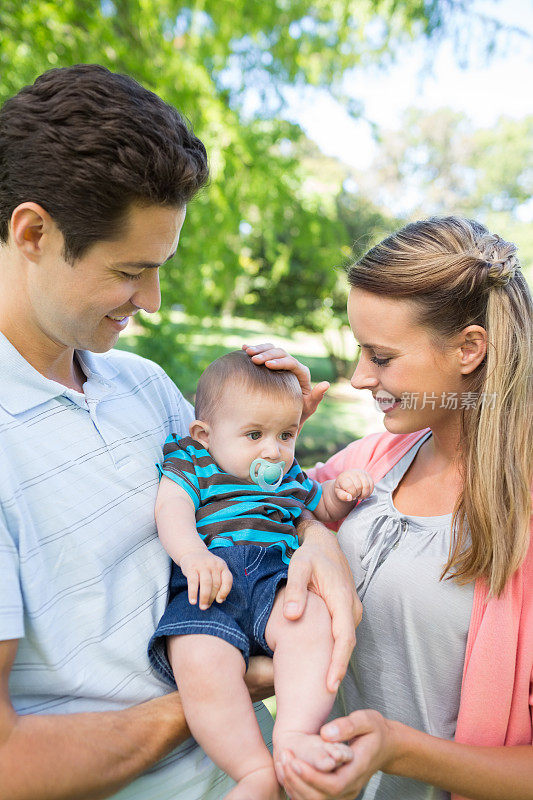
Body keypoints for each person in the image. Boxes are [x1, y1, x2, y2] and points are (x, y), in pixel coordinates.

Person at [0, 65, 360, 800]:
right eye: (131, 270)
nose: (154, 301)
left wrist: (289, 474)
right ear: (33, 232)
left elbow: (240, 502)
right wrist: (216, 694)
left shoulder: (145, 387)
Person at [244, 216, 533, 800]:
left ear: (469, 349)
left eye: (381, 356)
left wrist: (398, 748)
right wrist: (277, 431)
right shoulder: (375, 458)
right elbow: (259, 506)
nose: (357, 378)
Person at [148, 350, 375, 799]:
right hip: (212, 584)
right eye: (254, 434)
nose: (273, 450)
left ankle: (294, 736)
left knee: (313, 626)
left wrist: (342, 492)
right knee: (199, 661)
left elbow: (320, 506)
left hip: (276, 582)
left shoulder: (287, 476)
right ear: (204, 435)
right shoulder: (196, 463)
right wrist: (193, 555)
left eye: (286, 434)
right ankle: (252, 769)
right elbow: (170, 510)